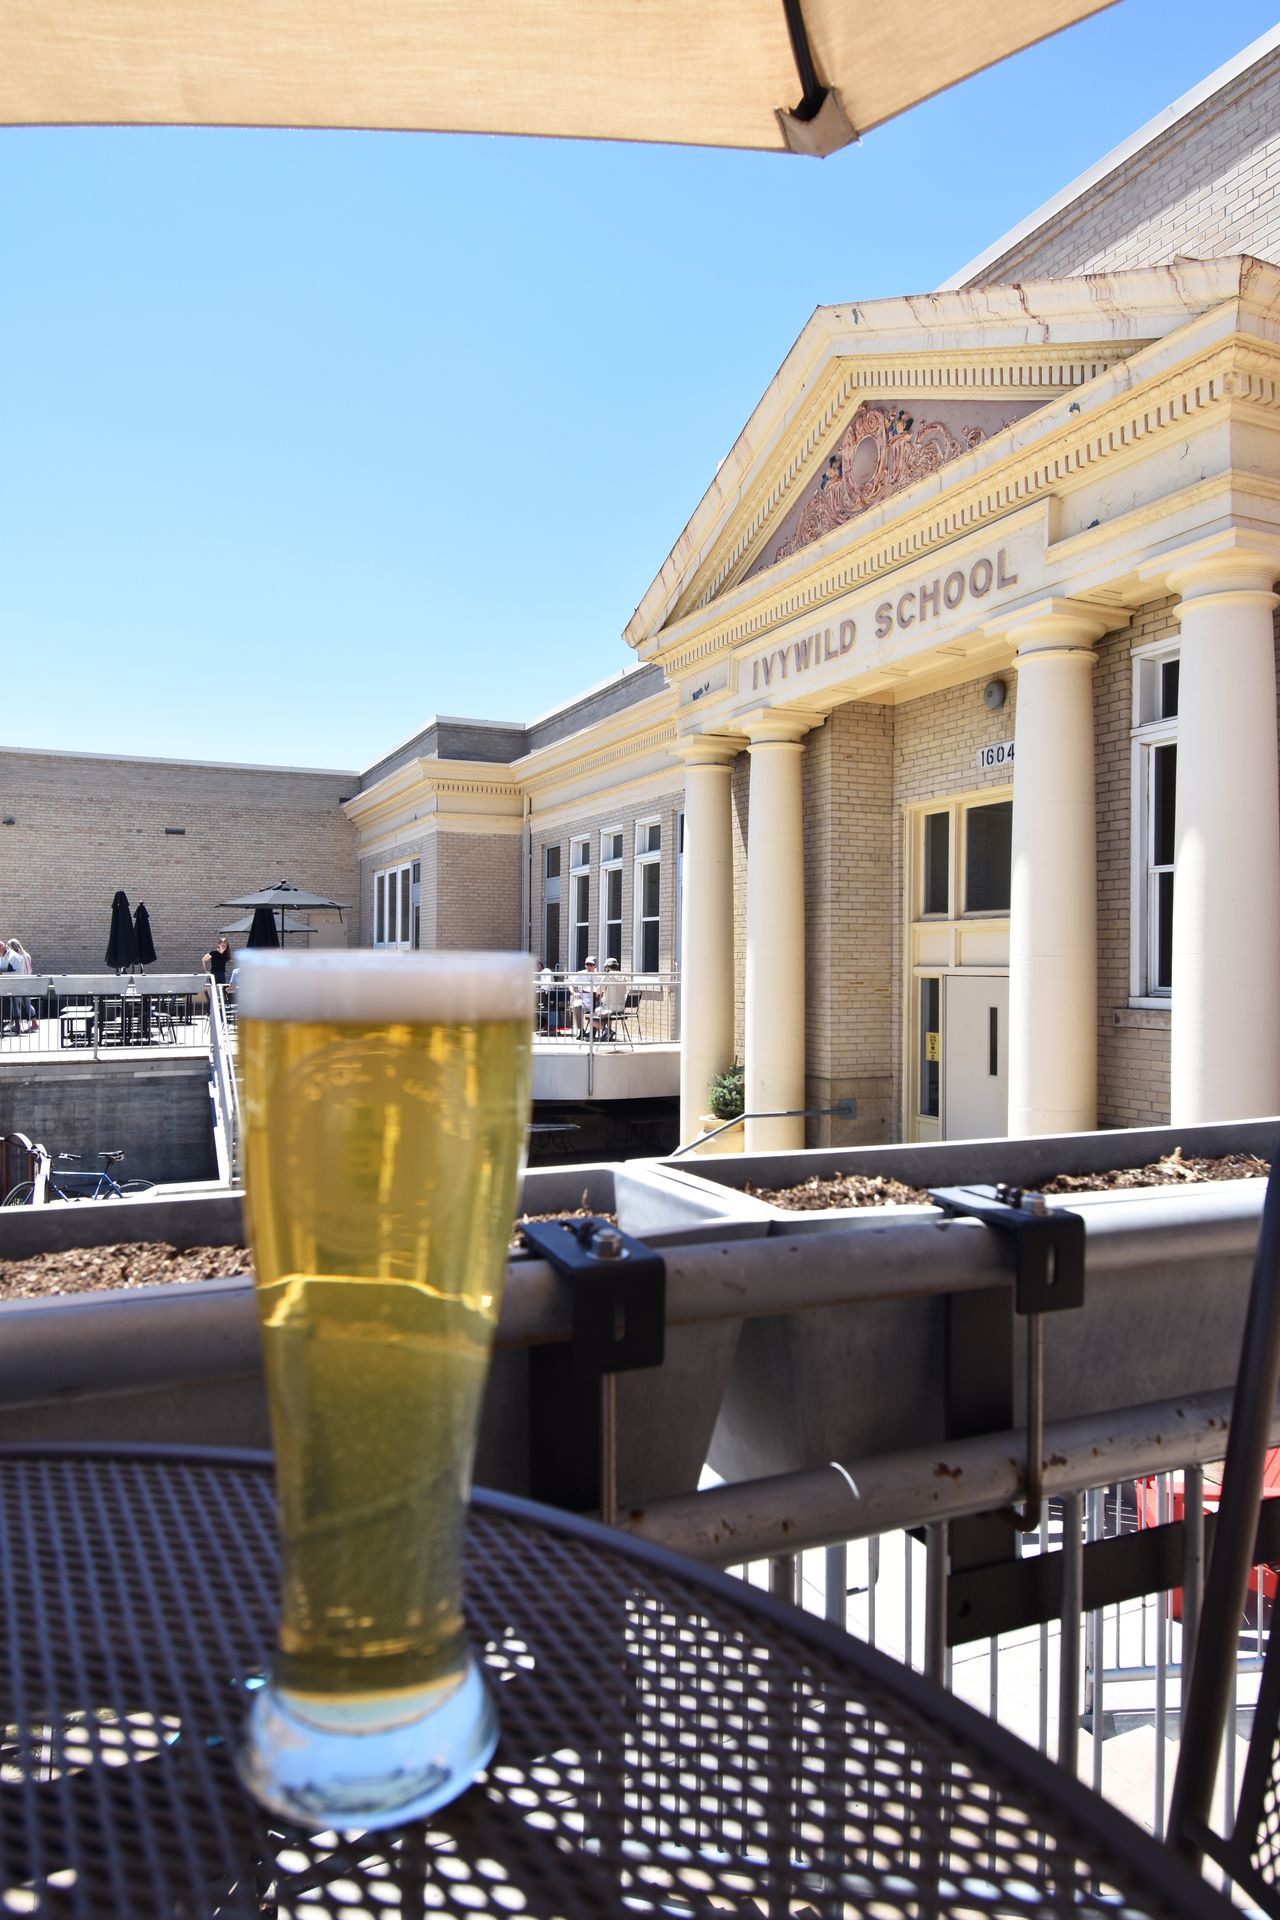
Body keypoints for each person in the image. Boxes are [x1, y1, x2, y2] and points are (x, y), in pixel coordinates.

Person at [5, 938, 35, 1033]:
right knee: (27, 1004)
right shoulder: (27, 955)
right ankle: (34, 1023)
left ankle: (17, 1026)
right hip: (27, 982)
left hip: (18, 982)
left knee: (15, 1004)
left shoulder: (15, 957)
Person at [571, 956, 600, 1037]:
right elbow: (571, 985)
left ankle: (593, 1031)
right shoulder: (580, 974)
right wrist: (574, 993)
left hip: (594, 999)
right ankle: (581, 1030)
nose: (589, 967)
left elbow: (603, 989)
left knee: (599, 1008)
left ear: (595, 966)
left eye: (591, 965)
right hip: (582, 997)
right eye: (587, 964)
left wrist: (600, 994)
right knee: (577, 1005)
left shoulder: (599, 976)